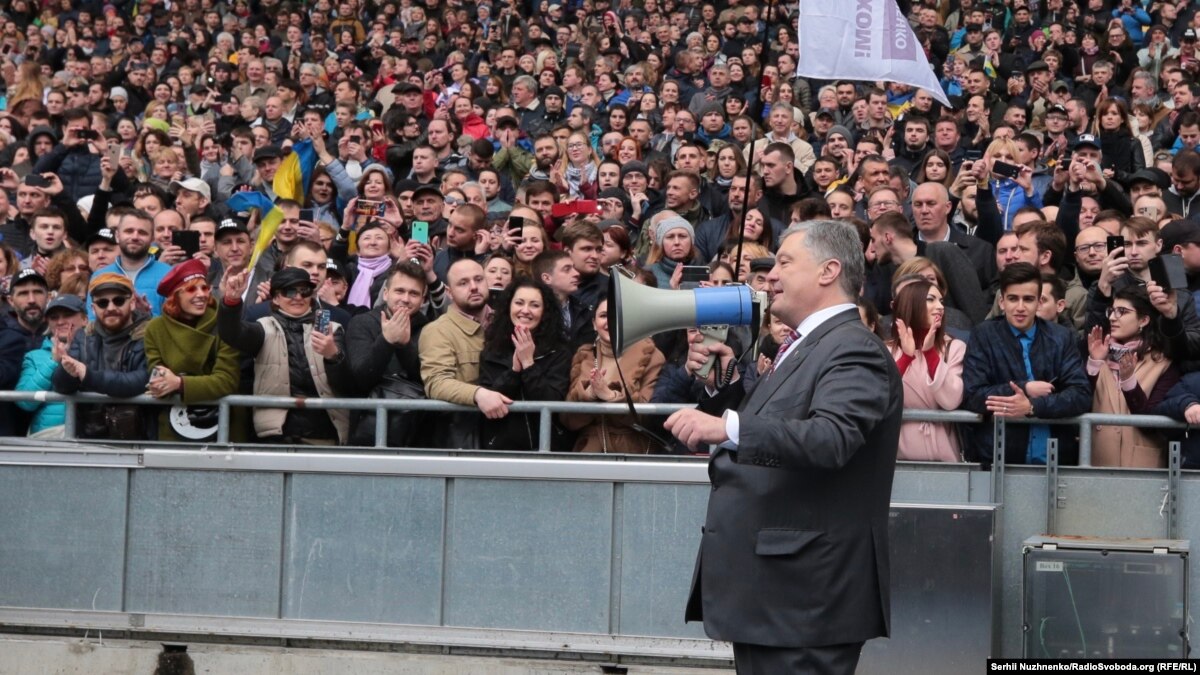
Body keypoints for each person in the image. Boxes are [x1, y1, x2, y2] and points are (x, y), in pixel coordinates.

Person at [664, 220, 902, 674]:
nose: (769, 275)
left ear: (829, 270)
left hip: (806, 598)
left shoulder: (854, 348)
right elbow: (777, 424)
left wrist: (725, 426)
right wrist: (727, 387)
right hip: (777, 597)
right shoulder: (808, 346)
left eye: (785, 263)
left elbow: (831, 439)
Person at [962, 263, 1092, 465]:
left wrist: (1032, 406)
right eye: (1013, 299)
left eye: (1028, 299)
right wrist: (1025, 388)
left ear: (1039, 302)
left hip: (1057, 459)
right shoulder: (983, 335)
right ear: (1001, 301)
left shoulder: (1062, 337)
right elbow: (973, 395)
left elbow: (1081, 395)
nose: (1020, 307)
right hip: (999, 458)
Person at [218, 266, 355, 445]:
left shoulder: (332, 329)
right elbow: (232, 334)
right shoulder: (263, 328)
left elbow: (348, 385)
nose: (298, 297)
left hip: (324, 432)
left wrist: (333, 355)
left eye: (304, 291)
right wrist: (231, 301)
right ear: (275, 298)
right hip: (276, 434)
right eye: (289, 291)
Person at [143, 259, 242, 443]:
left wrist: (179, 383)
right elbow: (157, 375)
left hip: (222, 425)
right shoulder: (155, 328)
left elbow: (227, 380)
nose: (201, 295)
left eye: (204, 288)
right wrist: (163, 384)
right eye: (191, 289)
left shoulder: (224, 321)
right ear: (175, 296)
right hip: (176, 423)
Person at [1085, 286, 1180, 467]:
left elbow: (1152, 422)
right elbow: (1081, 402)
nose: (1112, 317)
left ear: (1143, 320)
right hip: (1098, 463)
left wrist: (1129, 383)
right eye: (1111, 311)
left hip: (1142, 465)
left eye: (1122, 312)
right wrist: (1094, 365)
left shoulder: (1163, 362)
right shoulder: (1098, 352)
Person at [52, 273, 154, 441]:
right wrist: (67, 370)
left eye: (119, 300)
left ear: (133, 303)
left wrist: (87, 375)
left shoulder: (150, 333)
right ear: (93, 308)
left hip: (138, 438)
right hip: (90, 437)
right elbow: (60, 386)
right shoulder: (83, 336)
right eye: (102, 302)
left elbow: (141, 380)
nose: (111, 307)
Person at [562, 296, 665, 453]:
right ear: (594, 324)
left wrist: (612, 397)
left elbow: (651, 416)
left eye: (618, 315)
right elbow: (567, 419)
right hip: (590, 452)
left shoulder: (652, 356)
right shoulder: (584, 356)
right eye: (603, 316)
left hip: (634, 452)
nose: (611, 321)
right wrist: (589, 395)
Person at [477, 278, 572, 450]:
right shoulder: (492, 350)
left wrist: (529, 364)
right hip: (502, 447)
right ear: (509, 307)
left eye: (535, 305)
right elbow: (491, 401)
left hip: (548, 447)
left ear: (545, 311)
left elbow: (552, 402)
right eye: (519, 303)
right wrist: (514, 371)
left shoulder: (559, 352)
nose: (525, 311)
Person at [345, 261, 431, 447]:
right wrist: (386, 341)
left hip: (418, 433)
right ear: (385, 293)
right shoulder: (362, 323)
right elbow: (361, 378)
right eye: (399, 291)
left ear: (423, 299)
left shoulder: (430, 328)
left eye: (414, 293)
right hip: (368, 430)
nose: (406, 299)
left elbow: (427, 379)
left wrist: (404, 345)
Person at [887, 277, 967, 462]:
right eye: (931, 299)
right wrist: (906, 357)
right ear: (912, 303)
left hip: (943, 450)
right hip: (897, 452)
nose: (940, 306)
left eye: (941, 301)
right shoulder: (887, 350)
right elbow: (882, 397)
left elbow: (951, 400)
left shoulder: (954, 347)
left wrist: (930, 352)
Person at [16, 295, 87, 438]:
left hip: (90, 435)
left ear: (85, 319)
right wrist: (53, 360)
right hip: (47, 438)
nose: (60, 321)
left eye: (68, 315)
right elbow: (24, 402)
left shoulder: (98, 349)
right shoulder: (34, 356)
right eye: (54, 317)